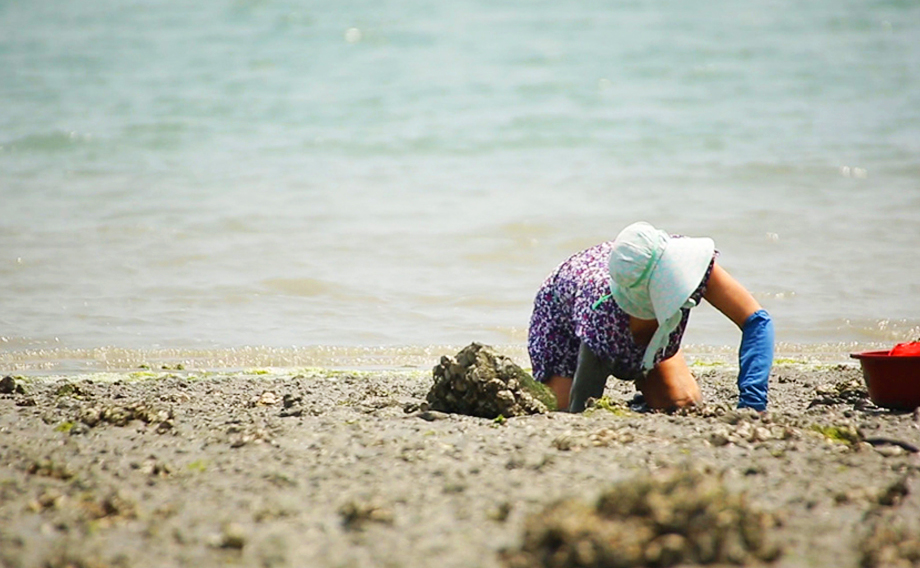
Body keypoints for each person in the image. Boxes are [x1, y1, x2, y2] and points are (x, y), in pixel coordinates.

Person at [527, 221, 773, 413]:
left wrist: (752, 402)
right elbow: (583, 405)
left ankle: (647, 377)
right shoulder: (602, 319)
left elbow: (757, 321)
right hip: (562, 313)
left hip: (631, 294)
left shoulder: (691, 265)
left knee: (683, 403)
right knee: (560, 406)